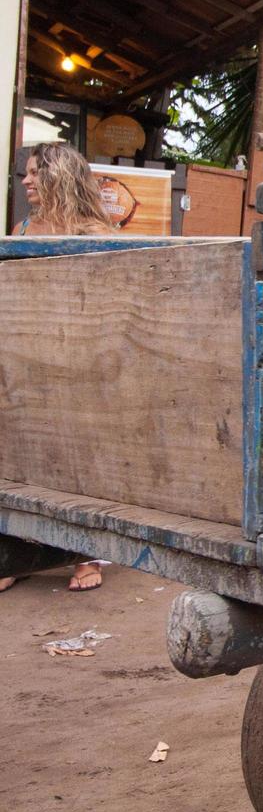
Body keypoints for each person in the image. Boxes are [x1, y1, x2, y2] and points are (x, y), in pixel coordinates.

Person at [1, 142, 116, 594]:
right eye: (25, 174)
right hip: (25, 362)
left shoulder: (96, 231)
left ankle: (85, 558)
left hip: (77, 360)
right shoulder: (22, 228)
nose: (26, 181)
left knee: (78, 461)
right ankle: (16, 555)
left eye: (35, 173)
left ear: (59, 176)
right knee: (20, 460)